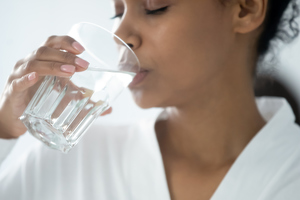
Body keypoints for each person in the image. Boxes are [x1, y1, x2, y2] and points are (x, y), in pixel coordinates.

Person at [0, 0, 300, 199]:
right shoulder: (74, 162)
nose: (121, 34)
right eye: (118, 12)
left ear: (245, 9)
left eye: (155, 7)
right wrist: (3, 129)